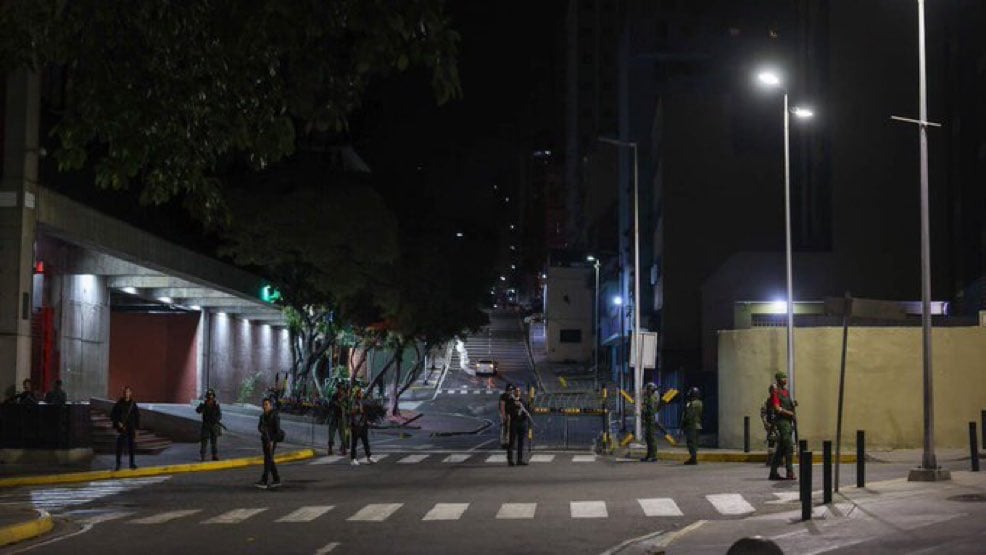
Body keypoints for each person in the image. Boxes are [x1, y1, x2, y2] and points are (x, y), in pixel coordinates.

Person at [768, 372, 797, 480]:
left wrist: (793, 405)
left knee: (781, 448)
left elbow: (788, 404)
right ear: (779, 380)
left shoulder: (786, 392)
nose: (785, 379)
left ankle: (773, 472)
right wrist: (788, 413)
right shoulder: (776, 392)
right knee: (789, 446)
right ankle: (789, 472)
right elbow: (777, 407)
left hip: (788, 422)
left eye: (786, 377)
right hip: (782, 421)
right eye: (783, 378)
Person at [110, 386, 140, 471]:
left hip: (131, 428)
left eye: (128, 392)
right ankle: (118, 464)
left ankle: (132, 464)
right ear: (123, 393)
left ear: (130, 393)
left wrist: (137, 429)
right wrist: (118, 423)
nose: (126, 394)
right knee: (119, 447)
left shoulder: (133, 404)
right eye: (125, 392)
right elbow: (112, 415)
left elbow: (137, 417)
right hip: (122, 429)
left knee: (131, 447)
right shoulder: (119, 403)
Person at [256, 397, 282, 489]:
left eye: (266, 404)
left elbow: (277, 431)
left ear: (270, 405)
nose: (264, 406)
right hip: (265, 440)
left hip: (271, 441)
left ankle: (264, 480)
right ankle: (276, 479)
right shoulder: (262, 416)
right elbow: (259, 427)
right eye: (263, 404)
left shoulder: (275, 415)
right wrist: (262, 430)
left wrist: (272, 441)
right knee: (269, 459)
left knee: (267, 460)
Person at [504, 386, 531, 466]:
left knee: (521, 442)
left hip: (522, 423)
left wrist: (525, 413)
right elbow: (507, 410)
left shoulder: (523, 401)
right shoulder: (510, 401)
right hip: (514, 422)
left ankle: (519, 460)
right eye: (516, 391)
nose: (517, 392)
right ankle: (510, 460)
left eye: (519, 391)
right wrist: (515, 405)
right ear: (514, 392)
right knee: (511, 442)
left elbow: (528, 410)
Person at [349, 387, 374, 466]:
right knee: (354, 443)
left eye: (362, 393)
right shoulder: (354, 402)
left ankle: (368, 457)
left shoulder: (362, 402)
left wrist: (367, 421)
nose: (362, 394)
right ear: (357, 394)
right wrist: (358, 409)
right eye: (360, 393)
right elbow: (352, 412)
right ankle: (353, 459)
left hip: (363, 425)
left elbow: (364, 413)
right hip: (356, 425)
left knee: (366, 442)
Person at [196, 388, 222, 461]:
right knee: (204, 441)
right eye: (209, 396)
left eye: (211, 396)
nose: (210, 398)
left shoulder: (216, 404)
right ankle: (203, 456)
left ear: (213, 396)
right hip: (206, 425)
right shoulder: (204, 404)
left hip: (214, 425)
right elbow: (197, 411)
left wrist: (217, 419)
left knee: (214, 442)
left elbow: (219, 415)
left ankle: (214, 455)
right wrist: (201, 407)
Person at [682, 386, 703, 465]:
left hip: (692, 425)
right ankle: (693, 457)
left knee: (691, 442)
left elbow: (689, 415)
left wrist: (684, 422)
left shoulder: (691, 404)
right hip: (697, 424)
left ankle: (693, 458)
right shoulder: (700, 403)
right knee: (695, 442)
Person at [326, 386, 348, 456]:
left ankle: (343, 449)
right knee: (331, 433)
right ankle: (330, 449)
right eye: (338, 389)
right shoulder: (334, 396)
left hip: (341, 417)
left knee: (342, 434)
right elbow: (331, 404)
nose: (339, 390)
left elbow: (347, 407)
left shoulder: (346, 398)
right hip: (334, 417)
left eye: (341, 389)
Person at [640, 383, 658, 462]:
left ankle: (653, 456)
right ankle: (649, 455)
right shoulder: (649, 397)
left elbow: (650, 410)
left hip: (650, 419)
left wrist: (644, 410)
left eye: (648, 390)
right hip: (648, 419)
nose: (647, 391)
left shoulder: (652, 398)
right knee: (648, 438)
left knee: (651, 438)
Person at [498, 383, 515, 449]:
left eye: (512, 390)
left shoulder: (512, 397)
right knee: (504, 429)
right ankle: (503, 443)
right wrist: (503, 415)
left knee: (510, 429)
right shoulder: (504, 396)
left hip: (510, 415)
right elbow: (502, 406)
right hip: (506, 414)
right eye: (510, 390)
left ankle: (508, 443)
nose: (511, 391)